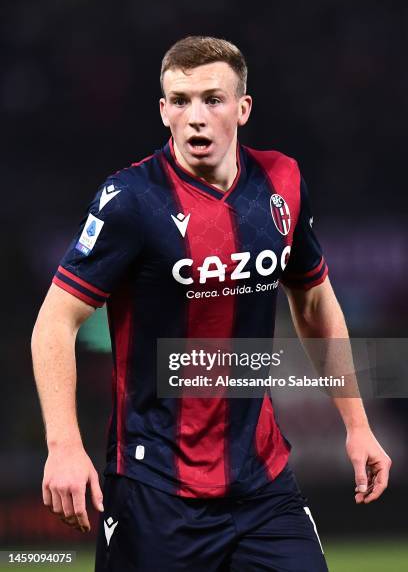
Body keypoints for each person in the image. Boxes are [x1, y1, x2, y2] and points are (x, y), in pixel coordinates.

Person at [32, 36, 391, 572]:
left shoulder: (282, 182)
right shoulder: (132, 199)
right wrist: (63, 445)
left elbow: (315, 303)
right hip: (156, 491)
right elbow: (54, 323)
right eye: (180, 101)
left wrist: (358, 425)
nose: (195, 117)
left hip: (263, 485)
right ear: (163, 111)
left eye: (212, 99)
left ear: (243, 109)